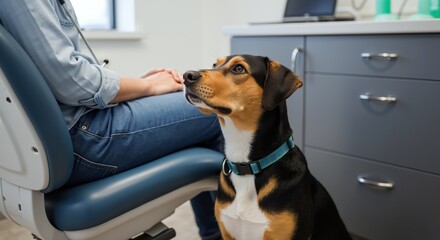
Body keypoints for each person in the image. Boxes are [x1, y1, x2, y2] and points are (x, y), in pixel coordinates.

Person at [0, 1, 223, 239]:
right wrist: (148, 86)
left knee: (184, 103)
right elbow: (71, 81)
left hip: (64, 133)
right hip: (84, 137)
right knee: (214, 107)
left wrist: (139, 87)